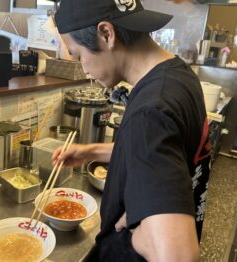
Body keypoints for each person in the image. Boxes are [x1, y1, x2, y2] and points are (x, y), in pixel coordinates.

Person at [52, 0, 211, 261]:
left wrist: (144, 230)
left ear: (106, 34)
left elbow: (179, 256)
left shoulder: (150, 112)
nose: (85, 70)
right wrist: (92, 151)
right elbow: (159, 151)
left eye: (78, 55)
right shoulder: (178, 75)